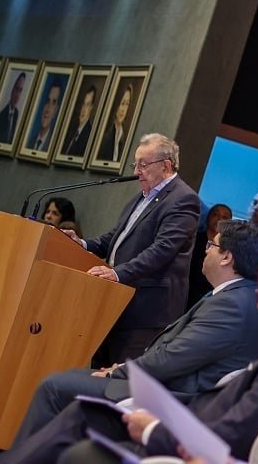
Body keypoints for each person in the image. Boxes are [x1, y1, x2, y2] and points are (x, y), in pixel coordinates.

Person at [0, 240, 258, 464]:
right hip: (191, 421)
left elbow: (231, 435)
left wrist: (154, 428)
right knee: (87, 412)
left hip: (190, 444)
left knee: (84, 425)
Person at [6, 219, 258, 448]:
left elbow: (173, 358)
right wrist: (123, 368)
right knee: (70, 382)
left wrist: (119, 372)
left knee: (54, 386)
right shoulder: (238, 297)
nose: (206, 251)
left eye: (211, 245)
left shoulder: (232, 305)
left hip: (170, 399)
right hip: (165, 387)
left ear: (227, 257)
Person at [65, 133, 200, 367]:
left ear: (166, 165)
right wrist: (82, 244)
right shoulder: (142, 197)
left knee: (121, 378)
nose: (137, 171)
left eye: (143, 165)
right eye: (135, 164)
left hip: (146, 311)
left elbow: (162, 250)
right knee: (97, 371)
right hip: (117, 303)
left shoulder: (183, 199)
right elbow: (116, 237)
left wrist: (117, 273)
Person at [186, 203, 234, 310]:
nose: (219, 219)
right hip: (186, 291)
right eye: (215, 214)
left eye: (224, 217)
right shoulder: (193, 239)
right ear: (208, 217)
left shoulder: (229, 250)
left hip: (209, 299)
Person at [97, 84, 132, 162]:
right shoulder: (106, 134)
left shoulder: (124, 134)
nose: (123, 109)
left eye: (127, 104)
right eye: (122, 103)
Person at [0, 72, 26, 143]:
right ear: (12, 89)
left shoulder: (16, 113)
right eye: (16, 89)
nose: (17, 95)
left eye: (20, 90)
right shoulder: (1, 115)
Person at [62, 85, 96, 156]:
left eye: (87, 105)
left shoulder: (89, 136)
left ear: (91, 107)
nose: (83, 109)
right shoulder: (71, 129)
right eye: (83, 104)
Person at [28, 82, 62, 152]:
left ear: (56, 111)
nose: (48, 109)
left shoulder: (54, 146)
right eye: (47, 101)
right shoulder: (29, 143)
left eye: (53, 103)